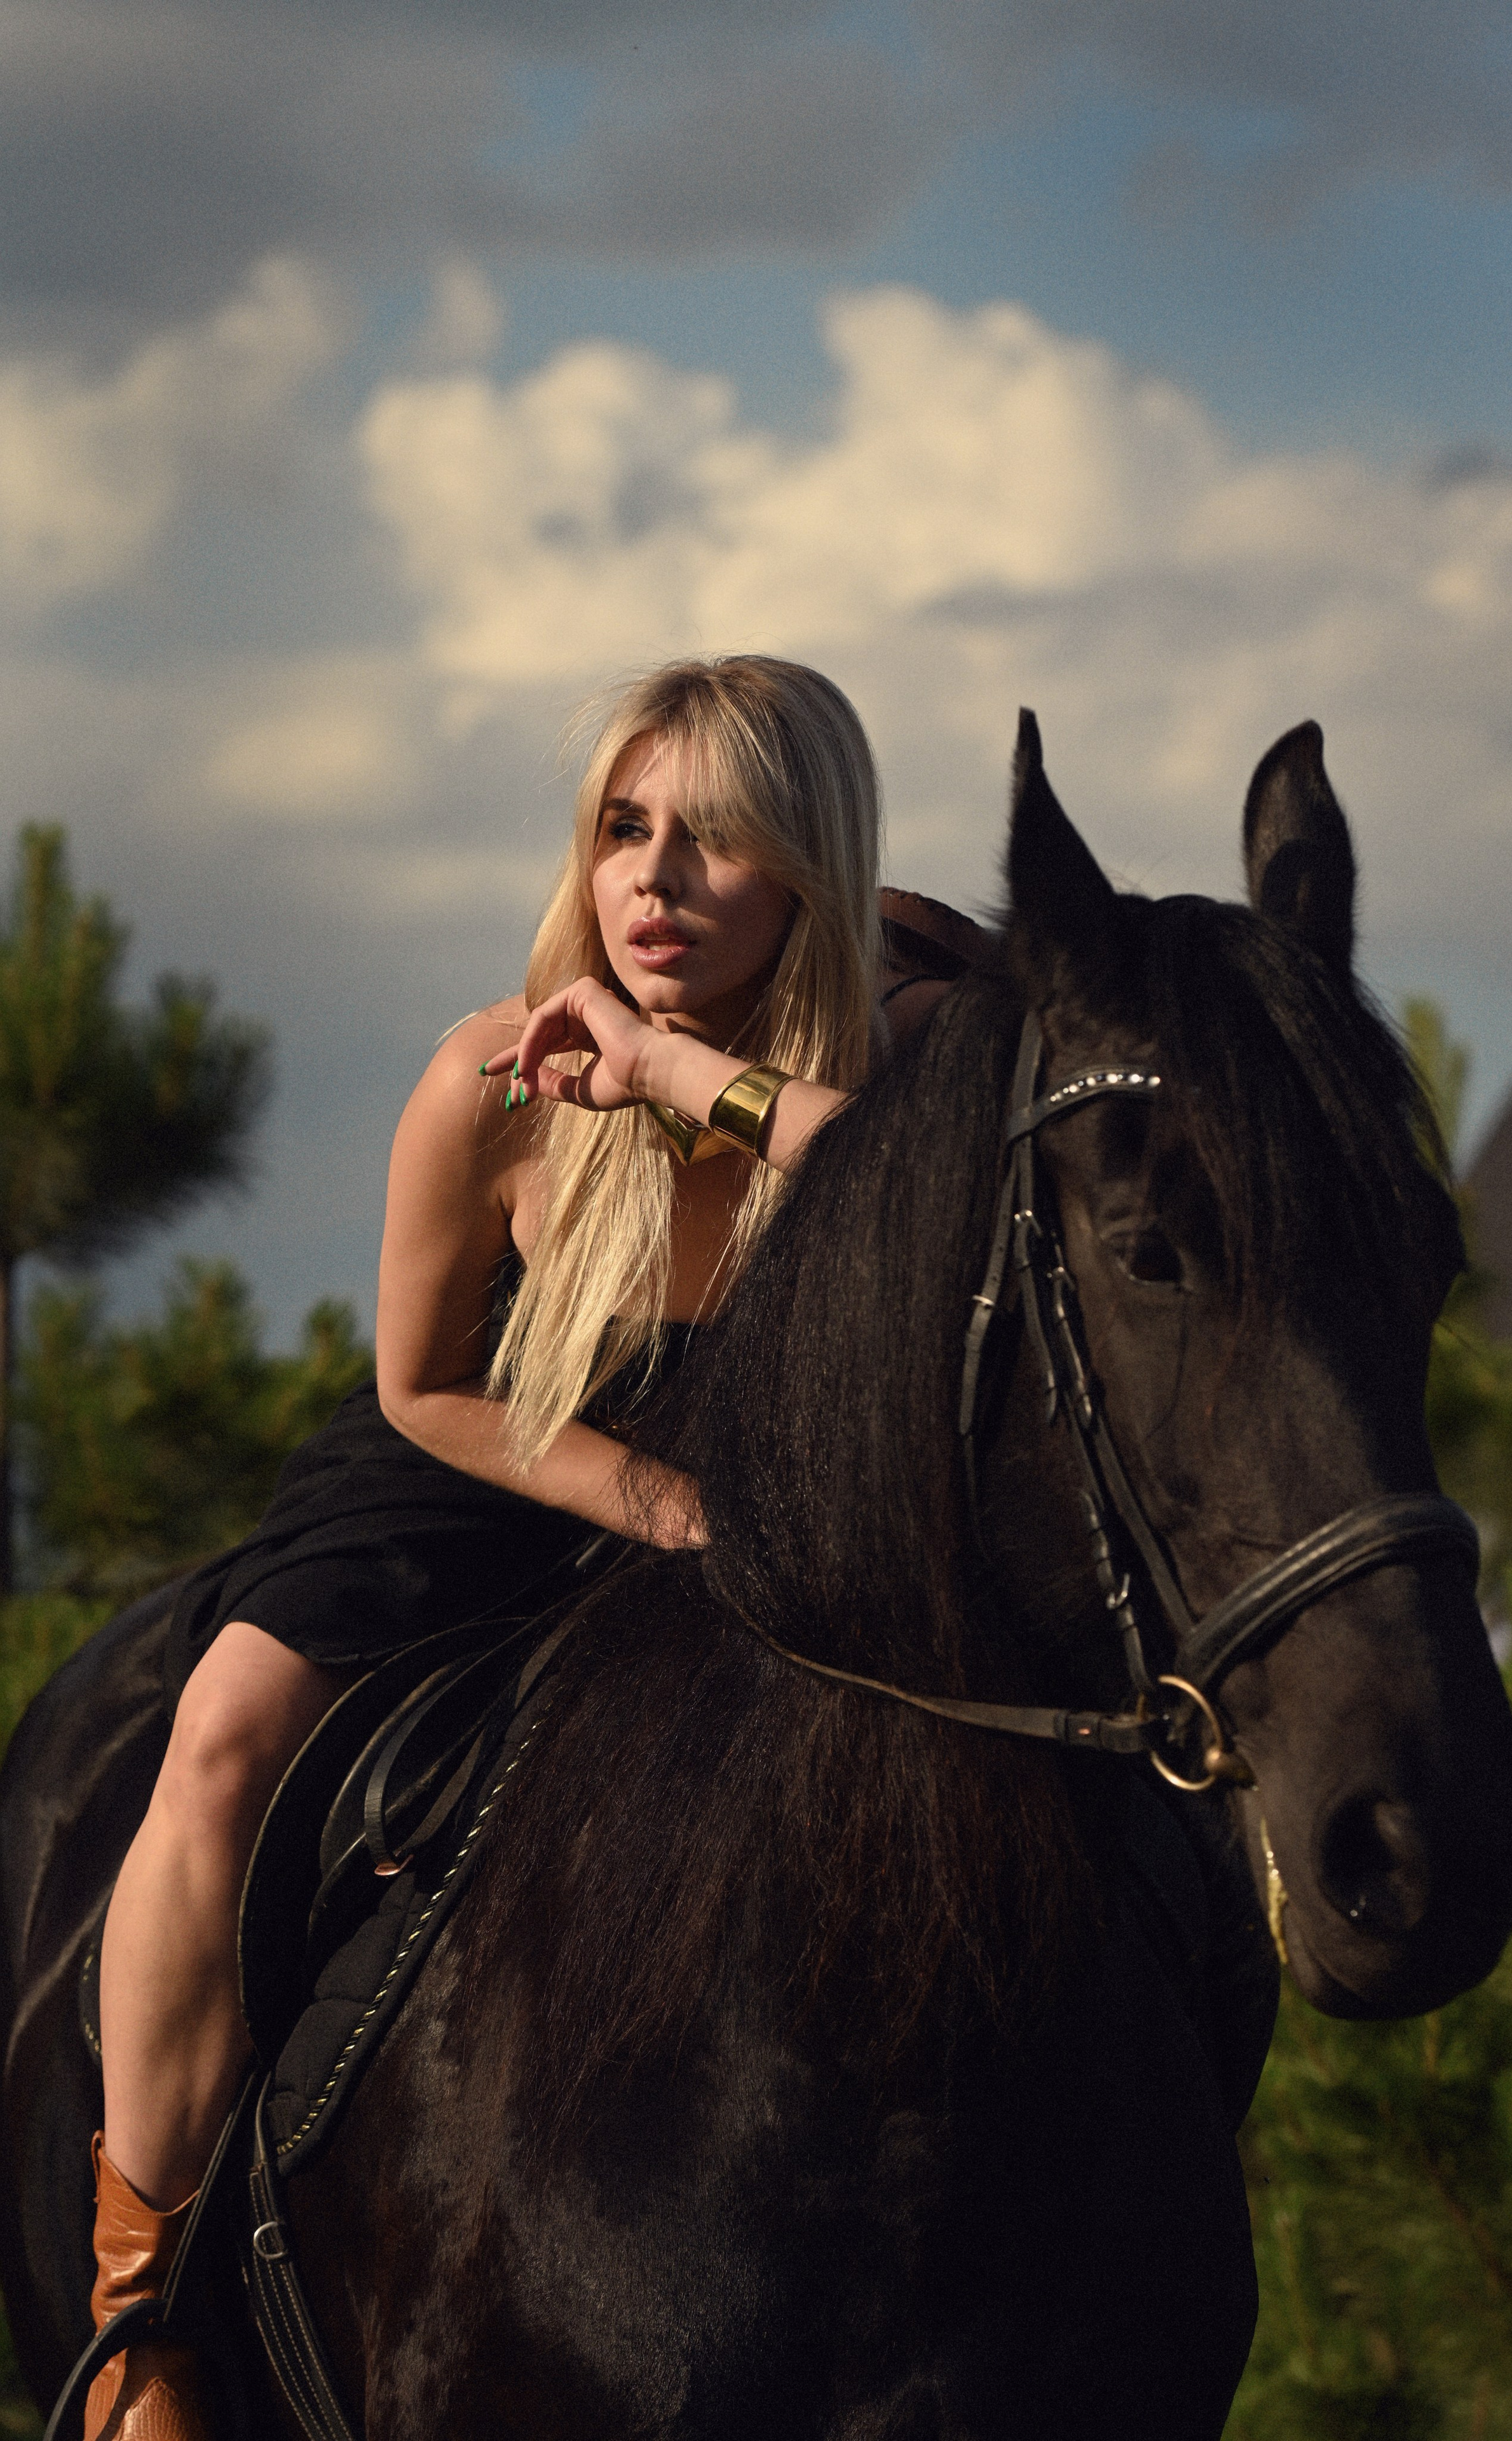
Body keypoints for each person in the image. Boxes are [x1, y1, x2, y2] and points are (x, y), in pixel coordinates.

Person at [81, 656, 979, 2441]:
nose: (654, 881)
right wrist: (670, 1511)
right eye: (625, 832)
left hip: (747, 1505)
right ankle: (139, 2313)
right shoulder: (490, 1080)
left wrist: (669, 1069)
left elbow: (897, 1194)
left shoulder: (883, 1053)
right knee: (220, 1745)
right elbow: (421, 1388)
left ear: (811, 867)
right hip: (486, 1458)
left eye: (717, 843)